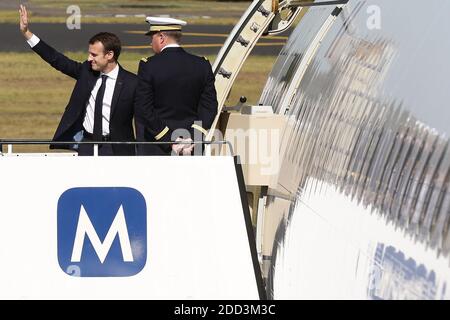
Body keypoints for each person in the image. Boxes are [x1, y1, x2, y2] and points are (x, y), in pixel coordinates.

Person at [19, 5, 137, 156]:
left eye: (94, 55)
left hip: (116, 150)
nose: (89, 59)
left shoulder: (132, 83)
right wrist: (27, 33)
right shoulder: (86, 71)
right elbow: (57, 59)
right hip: (86, 146)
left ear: (109, 55)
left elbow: (144, 118)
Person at [135, 16, 218, 156]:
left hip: (159, 147)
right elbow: (209, 107)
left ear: (161, 37)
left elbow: (144, 108)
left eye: (152, 37)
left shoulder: (149, 66)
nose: (151, 43)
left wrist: (170, 139)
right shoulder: (202, 65)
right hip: (192, 147)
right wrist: (192, 137)